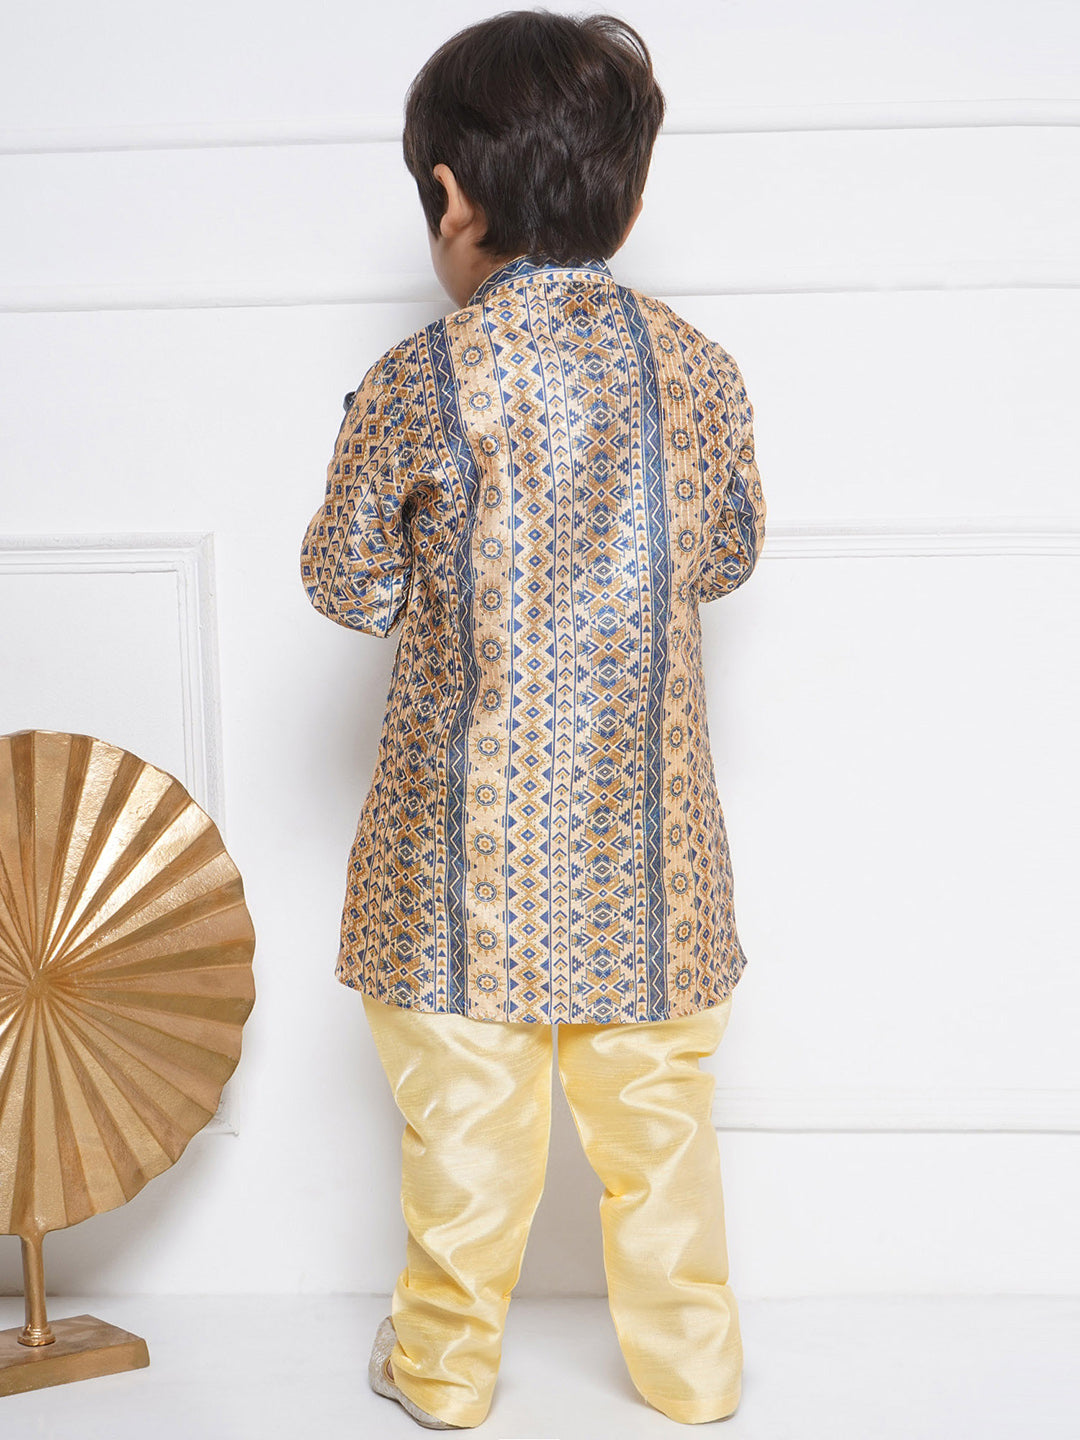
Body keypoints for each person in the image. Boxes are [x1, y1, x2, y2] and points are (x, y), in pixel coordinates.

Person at [300, 9, 767, 1430]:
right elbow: (728, 554)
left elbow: (349, 583)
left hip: (462, 873)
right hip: (651, 866)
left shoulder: (420, 380)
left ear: (452, 198)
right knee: (662, 1140)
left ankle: (443, 1374)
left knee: (466, 1143)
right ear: (629, 194)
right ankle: (695, 1375)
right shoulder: (701, 372)